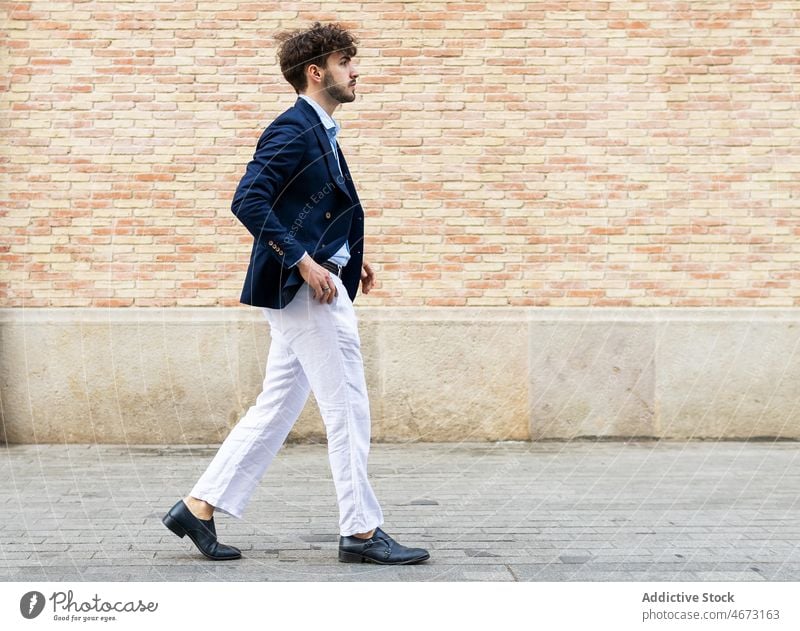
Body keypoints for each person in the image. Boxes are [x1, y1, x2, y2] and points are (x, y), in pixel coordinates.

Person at [162, 22, 429, 565]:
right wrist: (305, 261)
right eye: (346, 61)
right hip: (310, 294)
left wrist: (347, 255)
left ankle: (199, 506)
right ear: (317, 71)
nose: (356, 71)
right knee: (348, 406)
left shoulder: (320, 129)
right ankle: (360, 532)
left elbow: (307, 204)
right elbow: (249, 201)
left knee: (277, 407)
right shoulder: (293, 128)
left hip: (316, 284)